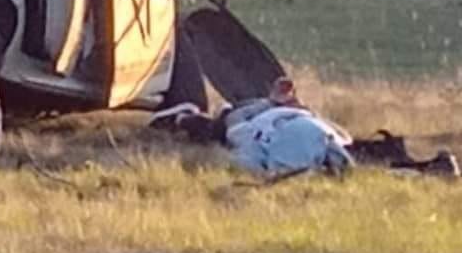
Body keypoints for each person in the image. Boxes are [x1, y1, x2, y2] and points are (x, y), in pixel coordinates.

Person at [150, 76, 458, 178]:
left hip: (290, 126)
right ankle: (429, 168)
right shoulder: (240, 125)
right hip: (295, 126)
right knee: (360, 158)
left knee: (359, 158)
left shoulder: (238, 127)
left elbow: (242, 160)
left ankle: (428, 168)